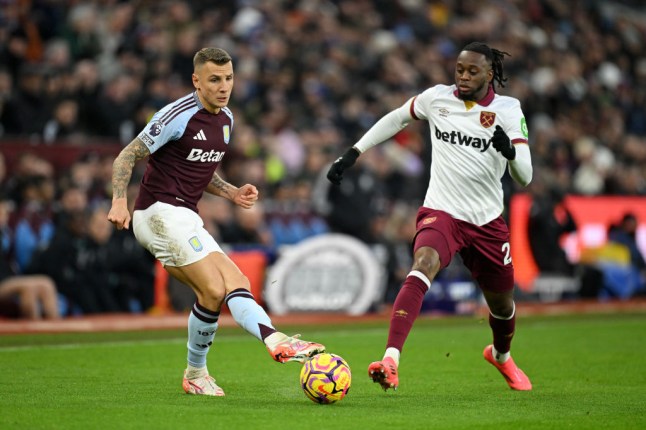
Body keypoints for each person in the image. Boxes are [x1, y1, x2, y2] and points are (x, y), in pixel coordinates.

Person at [107, 47, 324, 397]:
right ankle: (276, 340)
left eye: (229, 78)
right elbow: (127, 155)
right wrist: (119, 201)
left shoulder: (226, 119)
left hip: (185, 216)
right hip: (157, 213)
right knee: (215, 285)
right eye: (214, 80)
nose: (224, 86)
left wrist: (231, 193)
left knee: (224, 285)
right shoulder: (176, 115)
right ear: (196, 80)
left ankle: (196, 374)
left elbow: (200, 169)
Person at [327, 42, 533, 392]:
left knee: (502, 304)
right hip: (442, 211)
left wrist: (511, 153)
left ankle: (500, 356)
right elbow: (397, 117)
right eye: (459, 69)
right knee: (423, 263)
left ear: (490, 73)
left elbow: (525, 176)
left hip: (486, 222)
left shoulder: (508, 110)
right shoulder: (437, 99)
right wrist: (354, 151)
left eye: (473, 71)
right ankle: (390, 359)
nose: (464, 76)